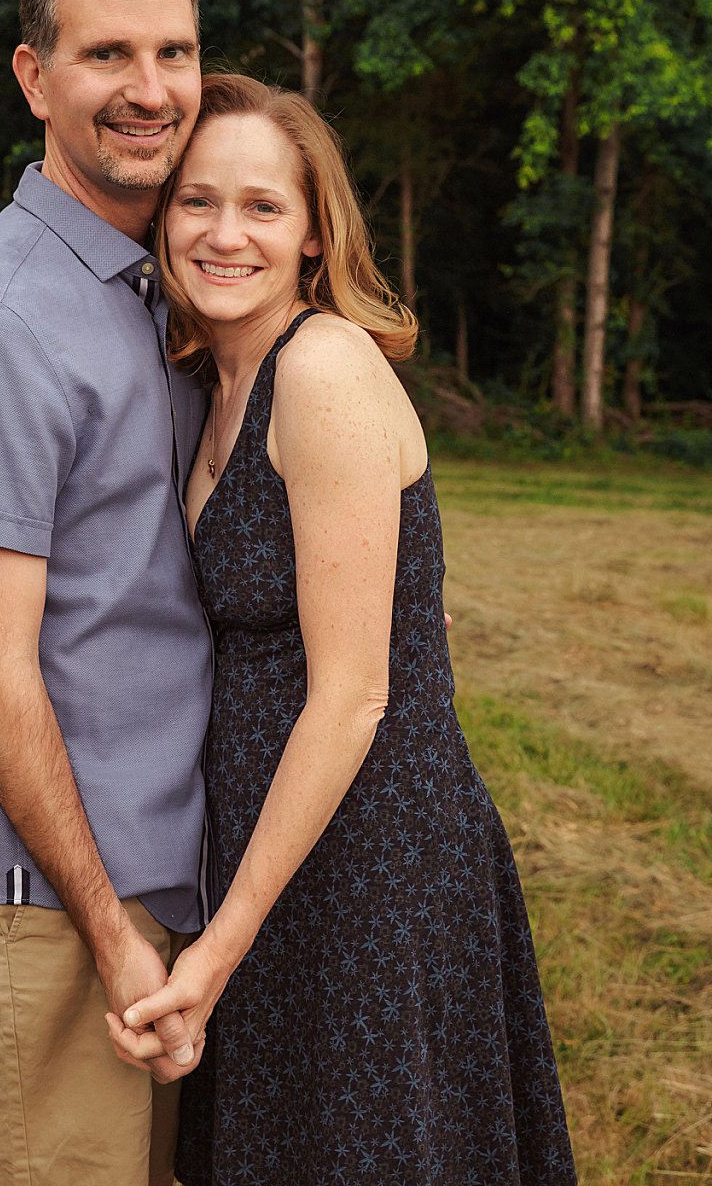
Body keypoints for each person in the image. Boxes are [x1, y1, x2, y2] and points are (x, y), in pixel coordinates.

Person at [109, 72, 577, 1184]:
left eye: (262, 208)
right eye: (196, 201)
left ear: (315, 233)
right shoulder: (210, 379)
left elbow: (353, 694)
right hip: (276, 844)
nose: (224, 235)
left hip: (367, 854)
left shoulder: (318, 368)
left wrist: (215, 952)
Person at [0, 0, 212, 1186]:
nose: (149, 92)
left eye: (175, 53)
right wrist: (108, 934)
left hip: (180, 882)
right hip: (66, 909)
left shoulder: (164, 287)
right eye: (106, 55)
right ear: (33, 77)